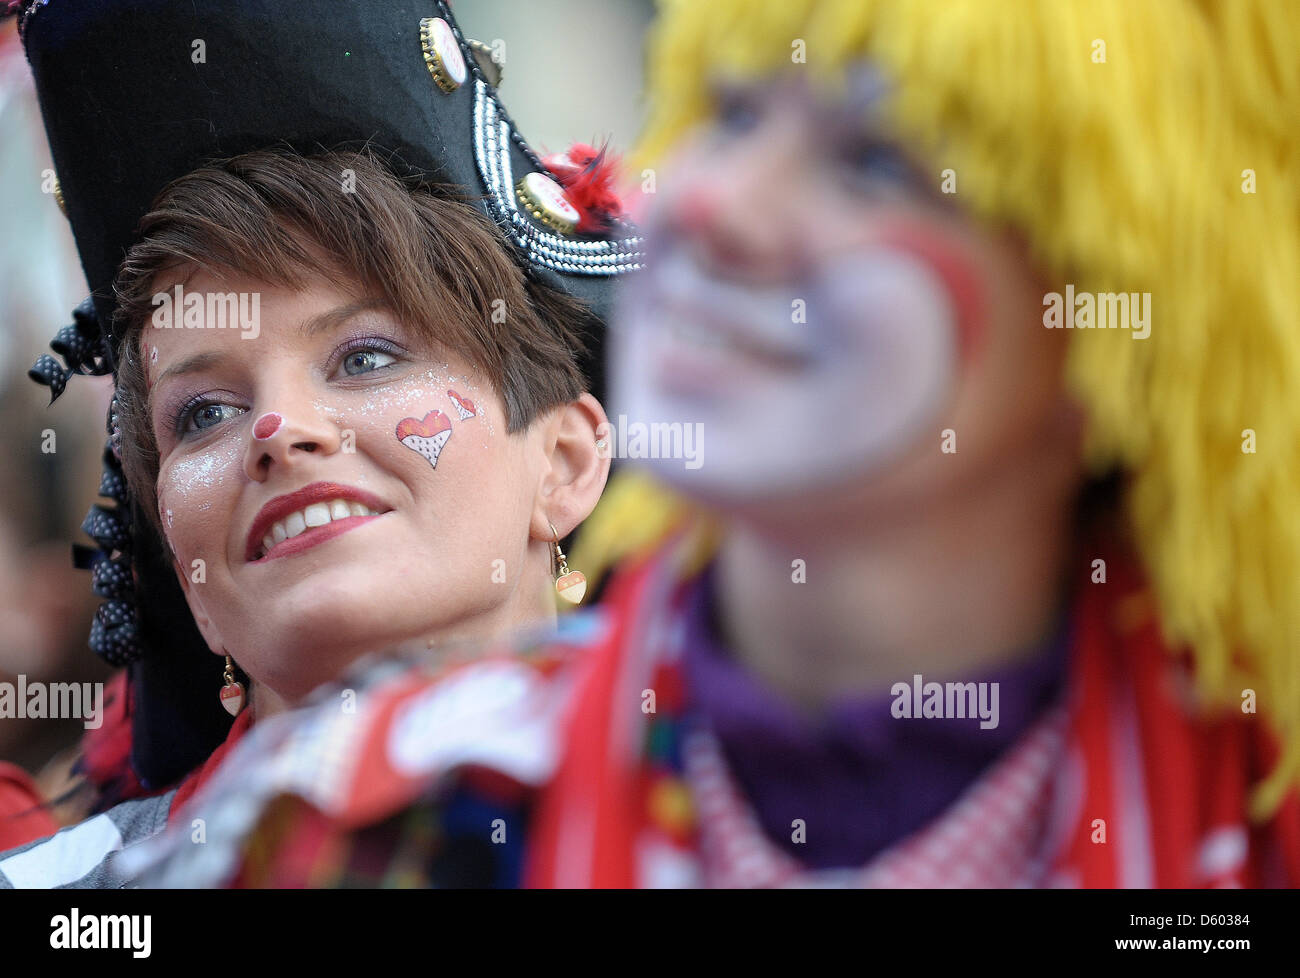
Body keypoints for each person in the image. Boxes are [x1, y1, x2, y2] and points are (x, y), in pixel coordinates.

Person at [124, 0, 1300, 888]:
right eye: (732, 116)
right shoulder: (368, 827)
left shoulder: (1258, 816)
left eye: (874, 166)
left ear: (1121, 323)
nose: (717, 203)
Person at [0, 0, 642, 887]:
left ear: (565, 460)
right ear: (190, 588)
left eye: (367, 357)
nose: (278, 429)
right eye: (203, 414)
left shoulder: (753, 834)